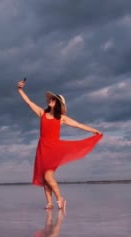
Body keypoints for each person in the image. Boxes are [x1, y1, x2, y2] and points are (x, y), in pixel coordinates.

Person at [17, 79, 103, 210]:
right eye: (50, 99)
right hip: (42, 149)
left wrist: (93, 130)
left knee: (48, 175)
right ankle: (49, 203)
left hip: (54, 149)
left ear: (58, 104)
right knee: (44, 179)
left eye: (54, 99)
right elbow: (29, 102)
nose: (51, 100)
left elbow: (78, 124)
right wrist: (20, 89)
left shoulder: (60, 118)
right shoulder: (42, 113)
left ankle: (60, 199)